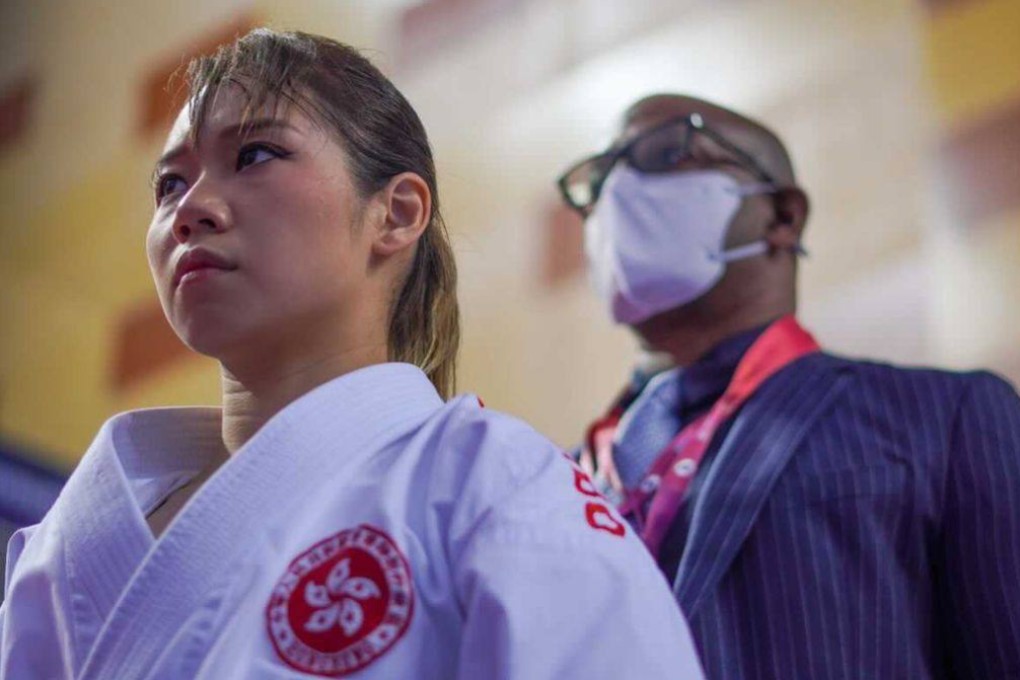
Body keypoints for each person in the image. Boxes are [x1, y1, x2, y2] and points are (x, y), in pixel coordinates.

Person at [0, 33, 705, 680]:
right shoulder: (62, 547)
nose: (192, 208)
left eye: (254, 155)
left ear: (395, 213)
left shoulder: (497, 483)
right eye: (170, 185)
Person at [558, 93, 1020, 679]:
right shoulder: (550, 484)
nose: (616, 193)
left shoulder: (948, 419)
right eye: (596, 182)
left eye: (664, 152)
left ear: (781, 216)